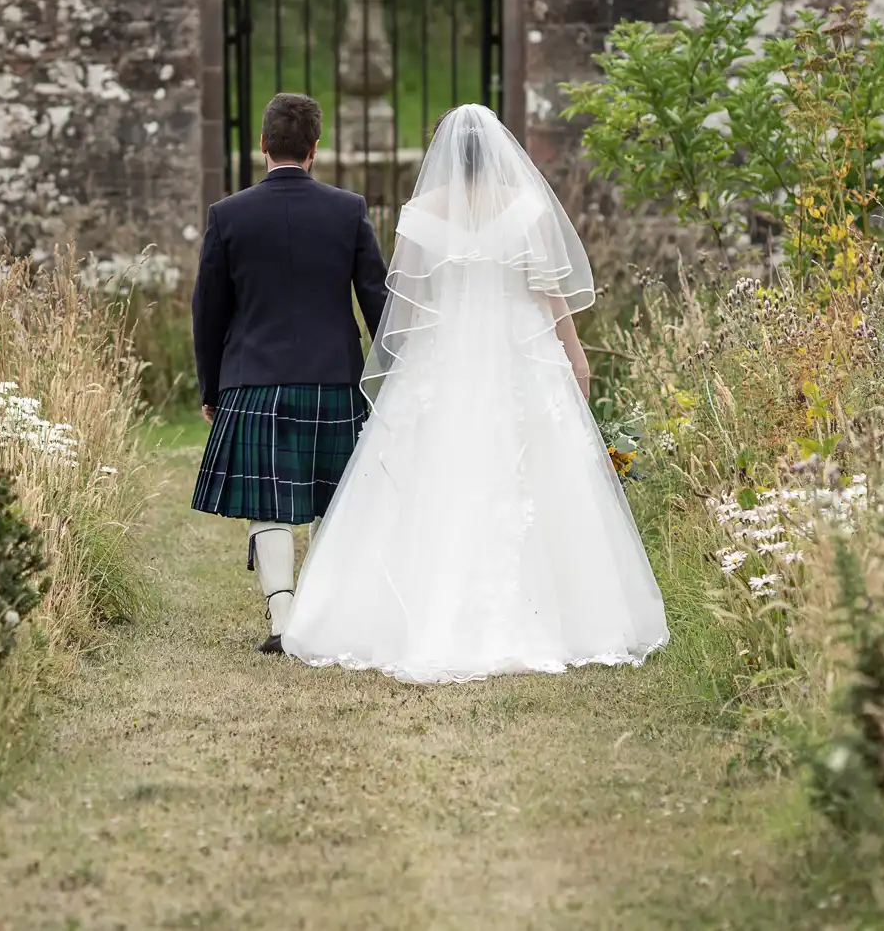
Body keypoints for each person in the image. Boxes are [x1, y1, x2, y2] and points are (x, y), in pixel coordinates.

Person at [281, 104, 670, 683]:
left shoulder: (420, 214)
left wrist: (409, 373)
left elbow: (406, 311)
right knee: (536, 472)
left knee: (436, 471)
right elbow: (550, 297)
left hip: (442, 355)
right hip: (521, 354)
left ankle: (414, 613)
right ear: (496, 150)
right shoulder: (526, 209)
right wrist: (576, 356)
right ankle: (559, 615)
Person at [190, 92, 390, 654]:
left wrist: (213, 388)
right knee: (335, 499)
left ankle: (283, 625)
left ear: (263, 145)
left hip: (254, 380)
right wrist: (392, 376)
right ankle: (323, 618)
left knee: (267, 503)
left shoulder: (228, 215)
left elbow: (208, 312)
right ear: (314, 149)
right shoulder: (347, 210)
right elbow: (376, 298)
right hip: (334, 380)